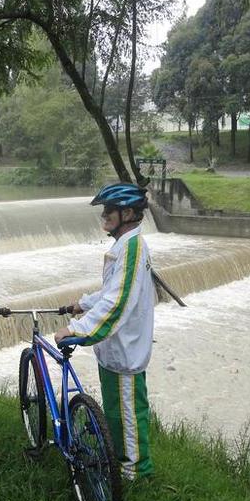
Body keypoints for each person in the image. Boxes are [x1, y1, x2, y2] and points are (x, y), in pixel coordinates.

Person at [54, 183, 156, 480]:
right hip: (117, 348)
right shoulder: (126, 246)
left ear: (126, 213)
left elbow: (116, 302)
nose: (104, 215)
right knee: (116, 412)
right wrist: (83, 304)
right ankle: (121, 464)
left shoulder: (133, 247)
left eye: (108, 210)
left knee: (128, 412)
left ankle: (136, 473)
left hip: (125, 348)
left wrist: (77, 329)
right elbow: (112, 290)